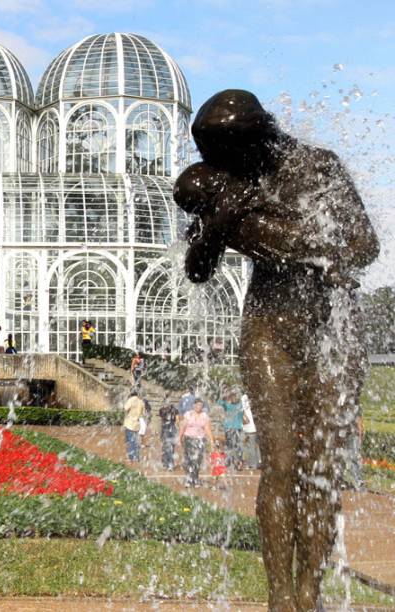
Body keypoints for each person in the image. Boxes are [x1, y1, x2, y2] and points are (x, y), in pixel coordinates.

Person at [175, 90, 379, 609]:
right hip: (269, 328)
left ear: (257, 139)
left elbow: (364, 245)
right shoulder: (228, 185)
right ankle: (280, 596)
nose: (216, 166)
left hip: (331, 329)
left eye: (225, 154)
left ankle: (309, 592)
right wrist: (220, 223)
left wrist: (313, 249)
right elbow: (197, 269)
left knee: (322, 469)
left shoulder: (318, 168)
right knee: (282, 464)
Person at [178, 399, 216, 488]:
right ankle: (188, 478)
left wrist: (211, 440)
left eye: (201, 405)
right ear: (194, 406)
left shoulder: (204, 416)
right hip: (189, 439)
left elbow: (207, 428)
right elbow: (182, 427)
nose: (199, 407)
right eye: (198, 405)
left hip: (200, 439)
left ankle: (195, 478)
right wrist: (179, 438)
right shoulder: (188, 414)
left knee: (198, 459)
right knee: (189, 459)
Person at [217, 389, 245, 470]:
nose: (234, 399)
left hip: (237, 429)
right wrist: (223, 396)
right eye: (232, 397)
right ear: (230, 398)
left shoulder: (240, 406)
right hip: (229, 429)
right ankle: (229, 462)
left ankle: (238, 463)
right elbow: (219, 402)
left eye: (235, 397)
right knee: (229, 446)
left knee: (238, 446)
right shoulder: (228, 406)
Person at [122, 392, 145, 463]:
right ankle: (137, 457)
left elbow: (125, 408)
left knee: (130, 441)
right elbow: (143, 413)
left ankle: (131, 458)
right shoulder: (141, 402)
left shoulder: (131, 400)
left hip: (129, 423)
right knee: (136, 441)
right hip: (137, 424)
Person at [240, 393, 260, 470]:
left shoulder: (246, 397)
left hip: (251, 429)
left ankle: (253, 464)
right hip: (245, 428)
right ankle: (249, 463)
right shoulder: (243, 398)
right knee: (245, 448)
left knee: (251, 447)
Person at [159, 401, 179, 470]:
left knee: (166, 447)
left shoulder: (162, 410)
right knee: (171, 447)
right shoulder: (174, 410)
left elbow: (162, 419)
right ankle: (168, 463)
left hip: (165, 429)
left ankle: (167, 463)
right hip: (173, 429)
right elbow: (177, 420)